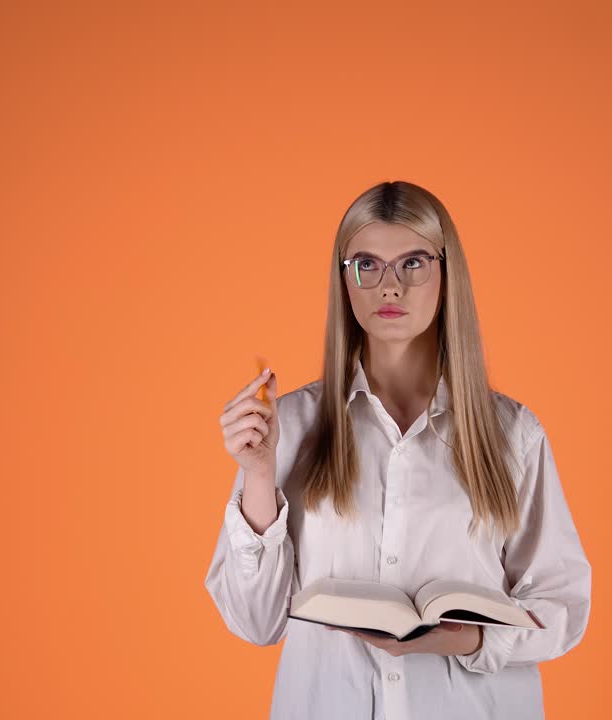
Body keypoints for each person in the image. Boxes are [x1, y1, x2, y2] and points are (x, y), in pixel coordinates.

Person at [205, 180, 592, 720]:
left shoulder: (512, 434)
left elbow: (564, 606)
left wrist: (471, 640)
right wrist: (258, 473)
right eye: (367, 264)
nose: (390, 287)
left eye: (413, 263)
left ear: (447, 275)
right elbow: (256, 623)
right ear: (345, 280)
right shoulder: (290, 426)